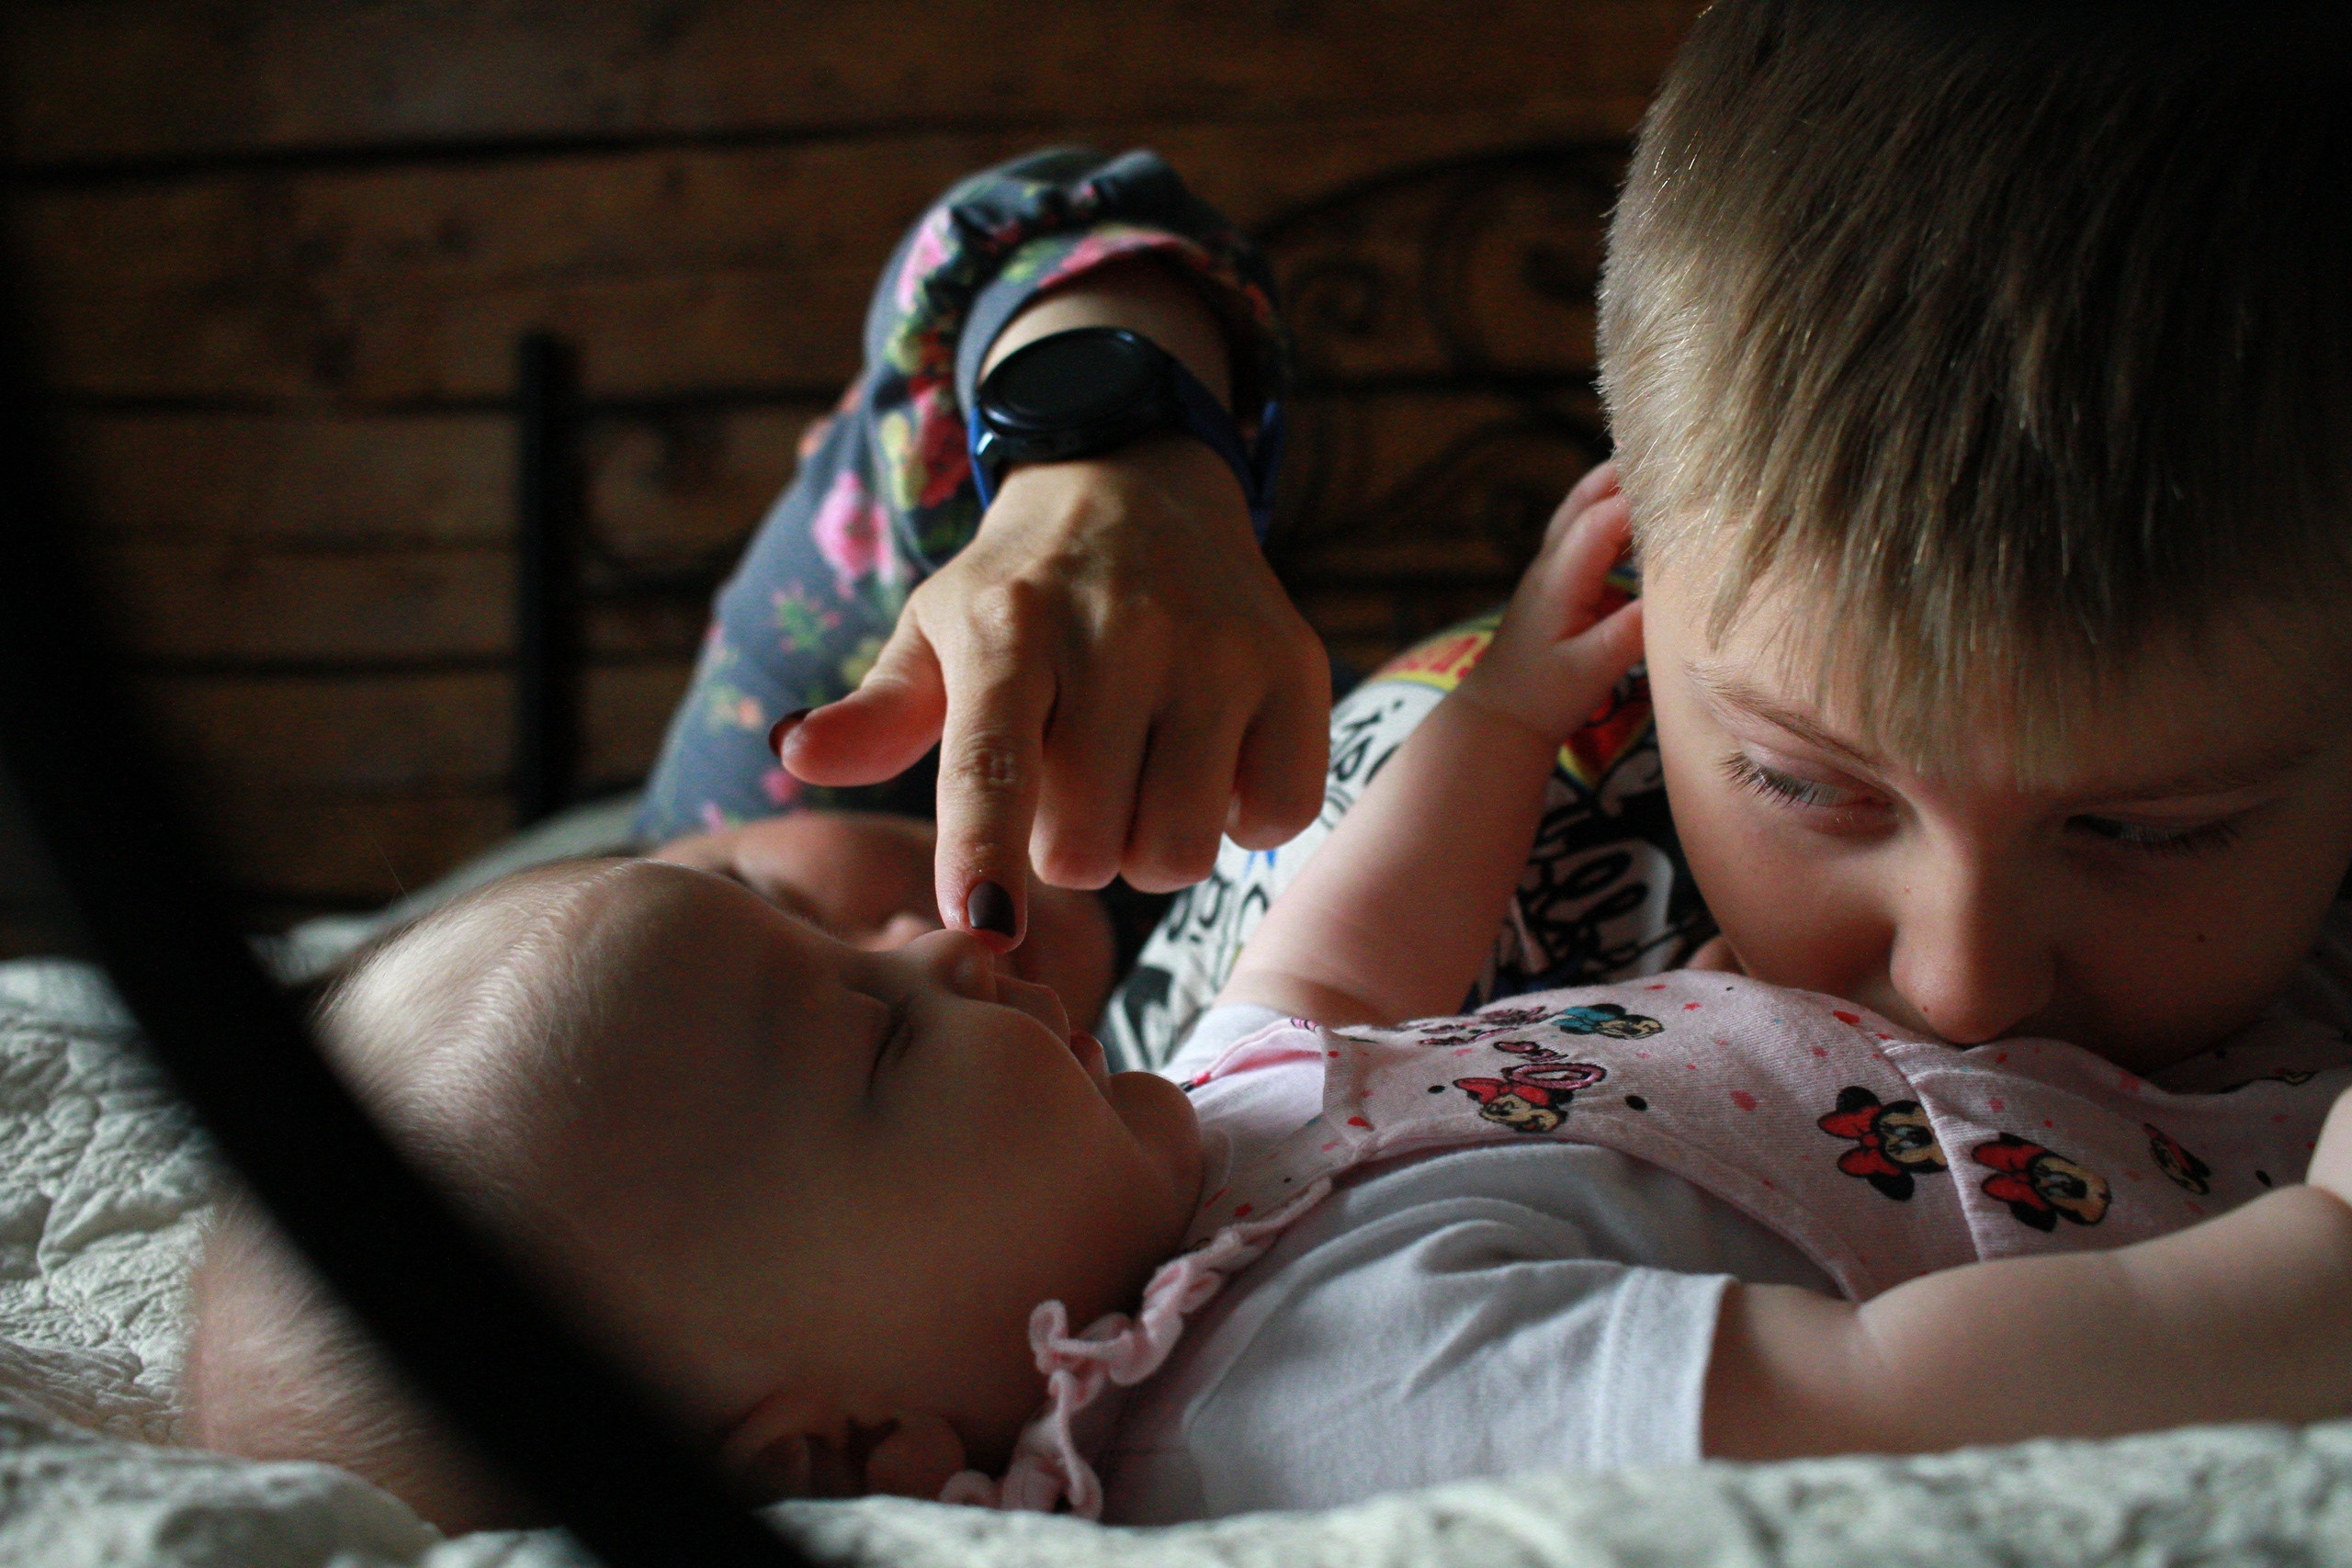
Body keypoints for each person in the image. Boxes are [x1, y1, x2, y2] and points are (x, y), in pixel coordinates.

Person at [180, 498, 2352, 1527]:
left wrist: (1501, 709)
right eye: (862, 1034)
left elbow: (1328, 953)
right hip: (2207, 1216)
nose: (946, 949)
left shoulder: (1169, 1152)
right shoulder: (1299, 1397)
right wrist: (2309, 1260)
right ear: (839, 1449)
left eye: (853, 949)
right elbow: (1881, 1392)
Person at [633, 148, 1331, 1032]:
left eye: (779, 905)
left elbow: (1022, 224)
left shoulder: (756, 755)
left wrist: (1097, 466)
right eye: (849, 1049)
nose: (924, 940)